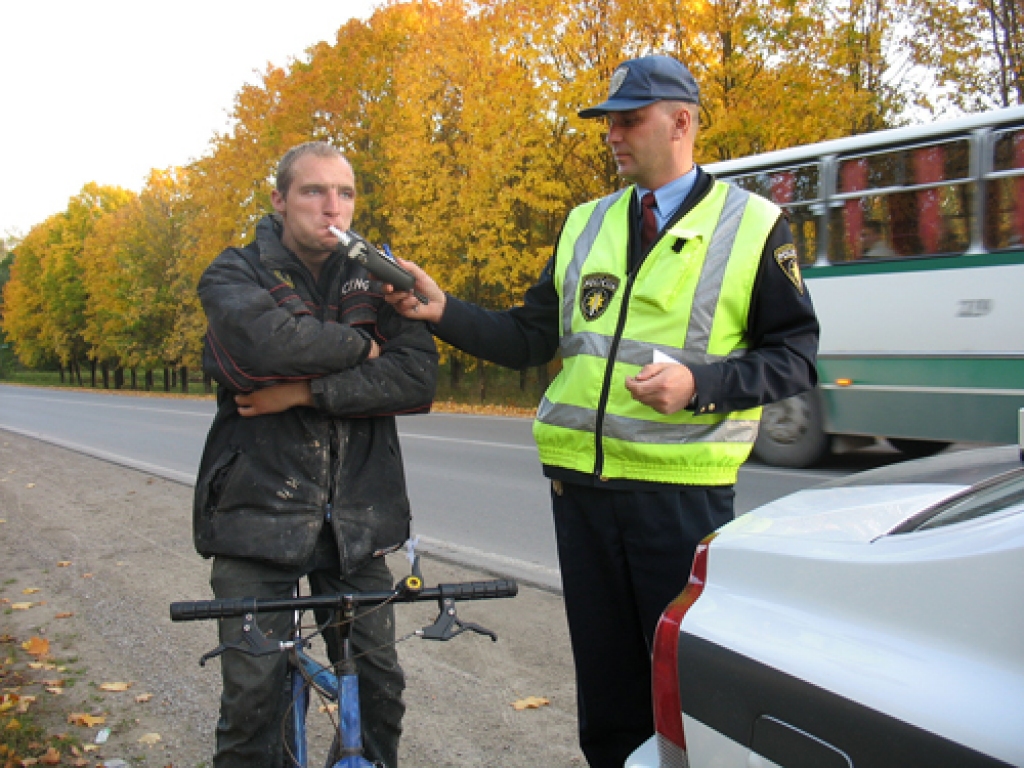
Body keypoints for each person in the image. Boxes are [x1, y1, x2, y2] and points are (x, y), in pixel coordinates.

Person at [385, 55, 819, 767]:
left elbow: (795, 356)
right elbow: (531, 336)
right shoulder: (586, 223)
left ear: (680, 122)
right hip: (581, 496)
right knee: (608, 695)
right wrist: (442, 312)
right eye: (608, 121)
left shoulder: (754, 226)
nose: (612, 134)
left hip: (678, 499)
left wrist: (699, 383)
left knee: (684, 688)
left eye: (629, 119)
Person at [193, 141, 438, 768]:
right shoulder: (234, 272)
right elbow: (263, 347)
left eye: (346, 193)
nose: (333, 206)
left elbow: (416, 380)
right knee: (253, 700)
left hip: (359, 521)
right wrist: (364, 351)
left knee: (379, 689)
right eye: (313, 192)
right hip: (255, 517)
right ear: (279, 200)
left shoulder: (383, 276)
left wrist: (301, 390)